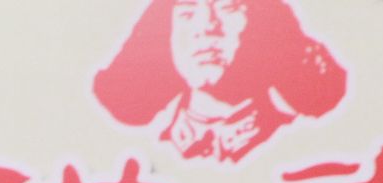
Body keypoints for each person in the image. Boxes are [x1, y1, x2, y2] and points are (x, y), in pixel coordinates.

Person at [92, 0, 346, 164]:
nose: (206, 27)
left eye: (228, 8)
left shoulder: (300, 140)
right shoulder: (143, 146)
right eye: (187, 12)